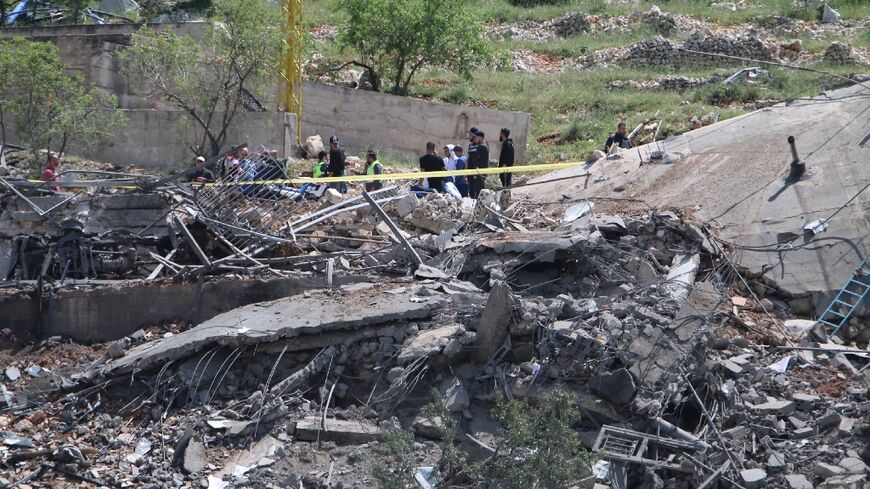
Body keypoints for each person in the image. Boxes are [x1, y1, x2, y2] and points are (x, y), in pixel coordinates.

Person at [468, 130, 489, 199]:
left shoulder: (482, 147)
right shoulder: (485, 146)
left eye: (476, 138)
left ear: (480, 138)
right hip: (482, 172)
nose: (475, 140)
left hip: (479, 172)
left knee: (477, 191)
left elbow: (476, 159)